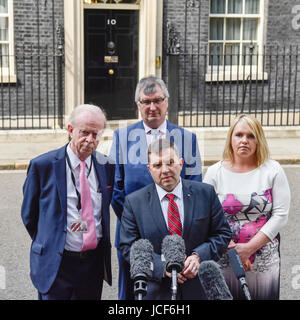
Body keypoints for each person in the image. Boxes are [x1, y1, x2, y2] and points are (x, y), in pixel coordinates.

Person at [110, 75, 202, 300]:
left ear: (167, 102)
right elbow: (116, 189)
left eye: (157, 100)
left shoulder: (187, 138)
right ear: (138, 104)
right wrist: (140, 224)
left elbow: (195, 187)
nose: (152, 107)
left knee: (175, 294)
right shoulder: (122, 138)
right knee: (134, 295)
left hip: (177, 233)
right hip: (134, 236)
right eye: (146, 102)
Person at [21, 104, 115, 300]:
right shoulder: (43, 166)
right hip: (57, 265)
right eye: (84, 132)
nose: (90, 140)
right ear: (71, 130)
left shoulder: (107, 166)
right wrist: (52, 238)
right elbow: (30, 215)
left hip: (92, 266)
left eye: (96, 134)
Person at [119, 139, 232, 300]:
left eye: (170, 163)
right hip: (157, 293)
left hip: (199, 289)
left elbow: (222, 234)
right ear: (149, 169)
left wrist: (198, 256)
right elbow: (128, 247)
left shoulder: (205, 194)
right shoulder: (134, 202)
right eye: (157, 165)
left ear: (180, 163)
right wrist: (162, 267)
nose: (165, 170)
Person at [204, 114, 291, 300]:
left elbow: (280, 215)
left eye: (251, 136)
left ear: (259, 140)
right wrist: (231, 248)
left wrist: (249, 248)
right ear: (230, 138)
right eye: (239, 135)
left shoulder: (273, 170)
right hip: (224, 258)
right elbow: (206, 215)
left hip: (263, 262)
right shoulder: (214, 173)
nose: (244, 140)